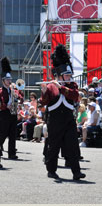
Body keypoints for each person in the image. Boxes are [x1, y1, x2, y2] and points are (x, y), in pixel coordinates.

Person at [40, 44, 85, 180]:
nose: (69, 77)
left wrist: (62, 88)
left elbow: (74, 96)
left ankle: (76, 172)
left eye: (69, 74)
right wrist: (43, 92)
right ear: (59, 75)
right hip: (54, 120)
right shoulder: (50, 86)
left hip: (68, 120)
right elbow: (45, 103)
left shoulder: (72, 86)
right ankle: (51, 170)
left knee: (72, 145)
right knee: (53, 146)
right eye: (66, 75)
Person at [0, 57, 22, 159]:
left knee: (13, 134)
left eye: (10, 79)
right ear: (3, 81)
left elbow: (20, 98)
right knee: (3, 133)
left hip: (13, 113)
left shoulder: (14, 90)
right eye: (8, 79)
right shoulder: (0, 91)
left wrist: (19, 98)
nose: (9, 81)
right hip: (4, 114)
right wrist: (5, 105)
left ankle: (12, 153)